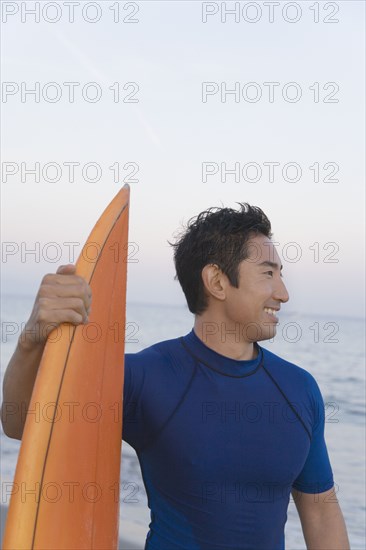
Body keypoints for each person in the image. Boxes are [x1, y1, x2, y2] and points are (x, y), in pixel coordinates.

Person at [1, 203, 349, 549]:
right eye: (268, 274)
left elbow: (321, 512)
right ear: (216, 281)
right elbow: (21, 423)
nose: (283, 293)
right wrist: (33, 340)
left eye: (281, 274)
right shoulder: (148, 377)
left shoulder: (299, 389)